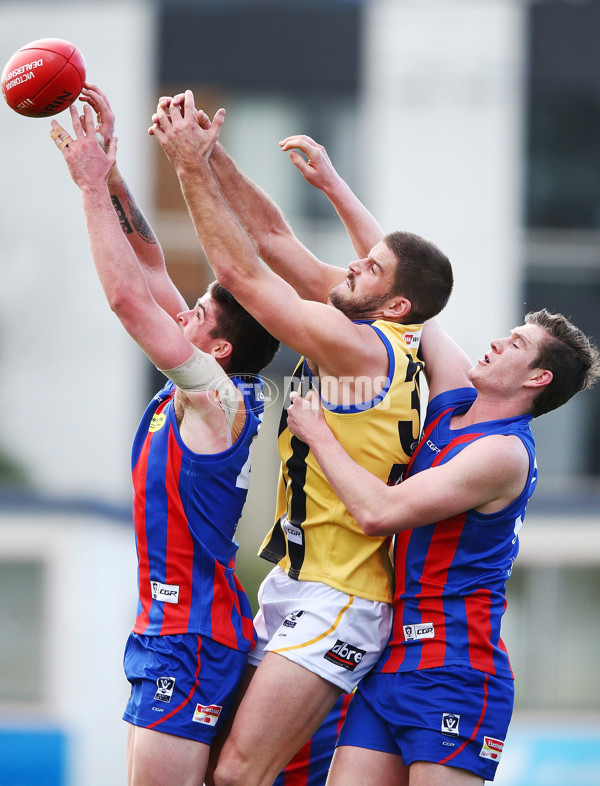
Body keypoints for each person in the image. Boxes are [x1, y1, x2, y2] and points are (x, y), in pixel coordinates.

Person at [149, 90, 454, 785]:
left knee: (236, 775)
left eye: (369, 268)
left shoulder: (358, 345)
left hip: (341, 594)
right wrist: (214, 153)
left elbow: (241, 278)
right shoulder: (381, 326)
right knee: (237, 767)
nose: (351, 266)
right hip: (300, 582)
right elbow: (276, 240)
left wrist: (188, 169)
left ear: (396, 304)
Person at [49, 85, 279, 786]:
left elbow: (125, 299)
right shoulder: (208, 378)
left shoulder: (211, 395)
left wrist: (88, 191)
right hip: (178, 629)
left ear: (222, 346)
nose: (182, 310)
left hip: (191, 634)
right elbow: (147, 269)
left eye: (199, 309)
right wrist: (112, 171)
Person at [286, 307, 600, 785]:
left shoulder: (503, 452)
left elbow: (379, 514)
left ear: (538, 377)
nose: (497, 342)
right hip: (391, 661)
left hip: (455, 669)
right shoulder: (454, 405)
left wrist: (319, 434)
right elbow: (414, 299)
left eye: (515, 344)